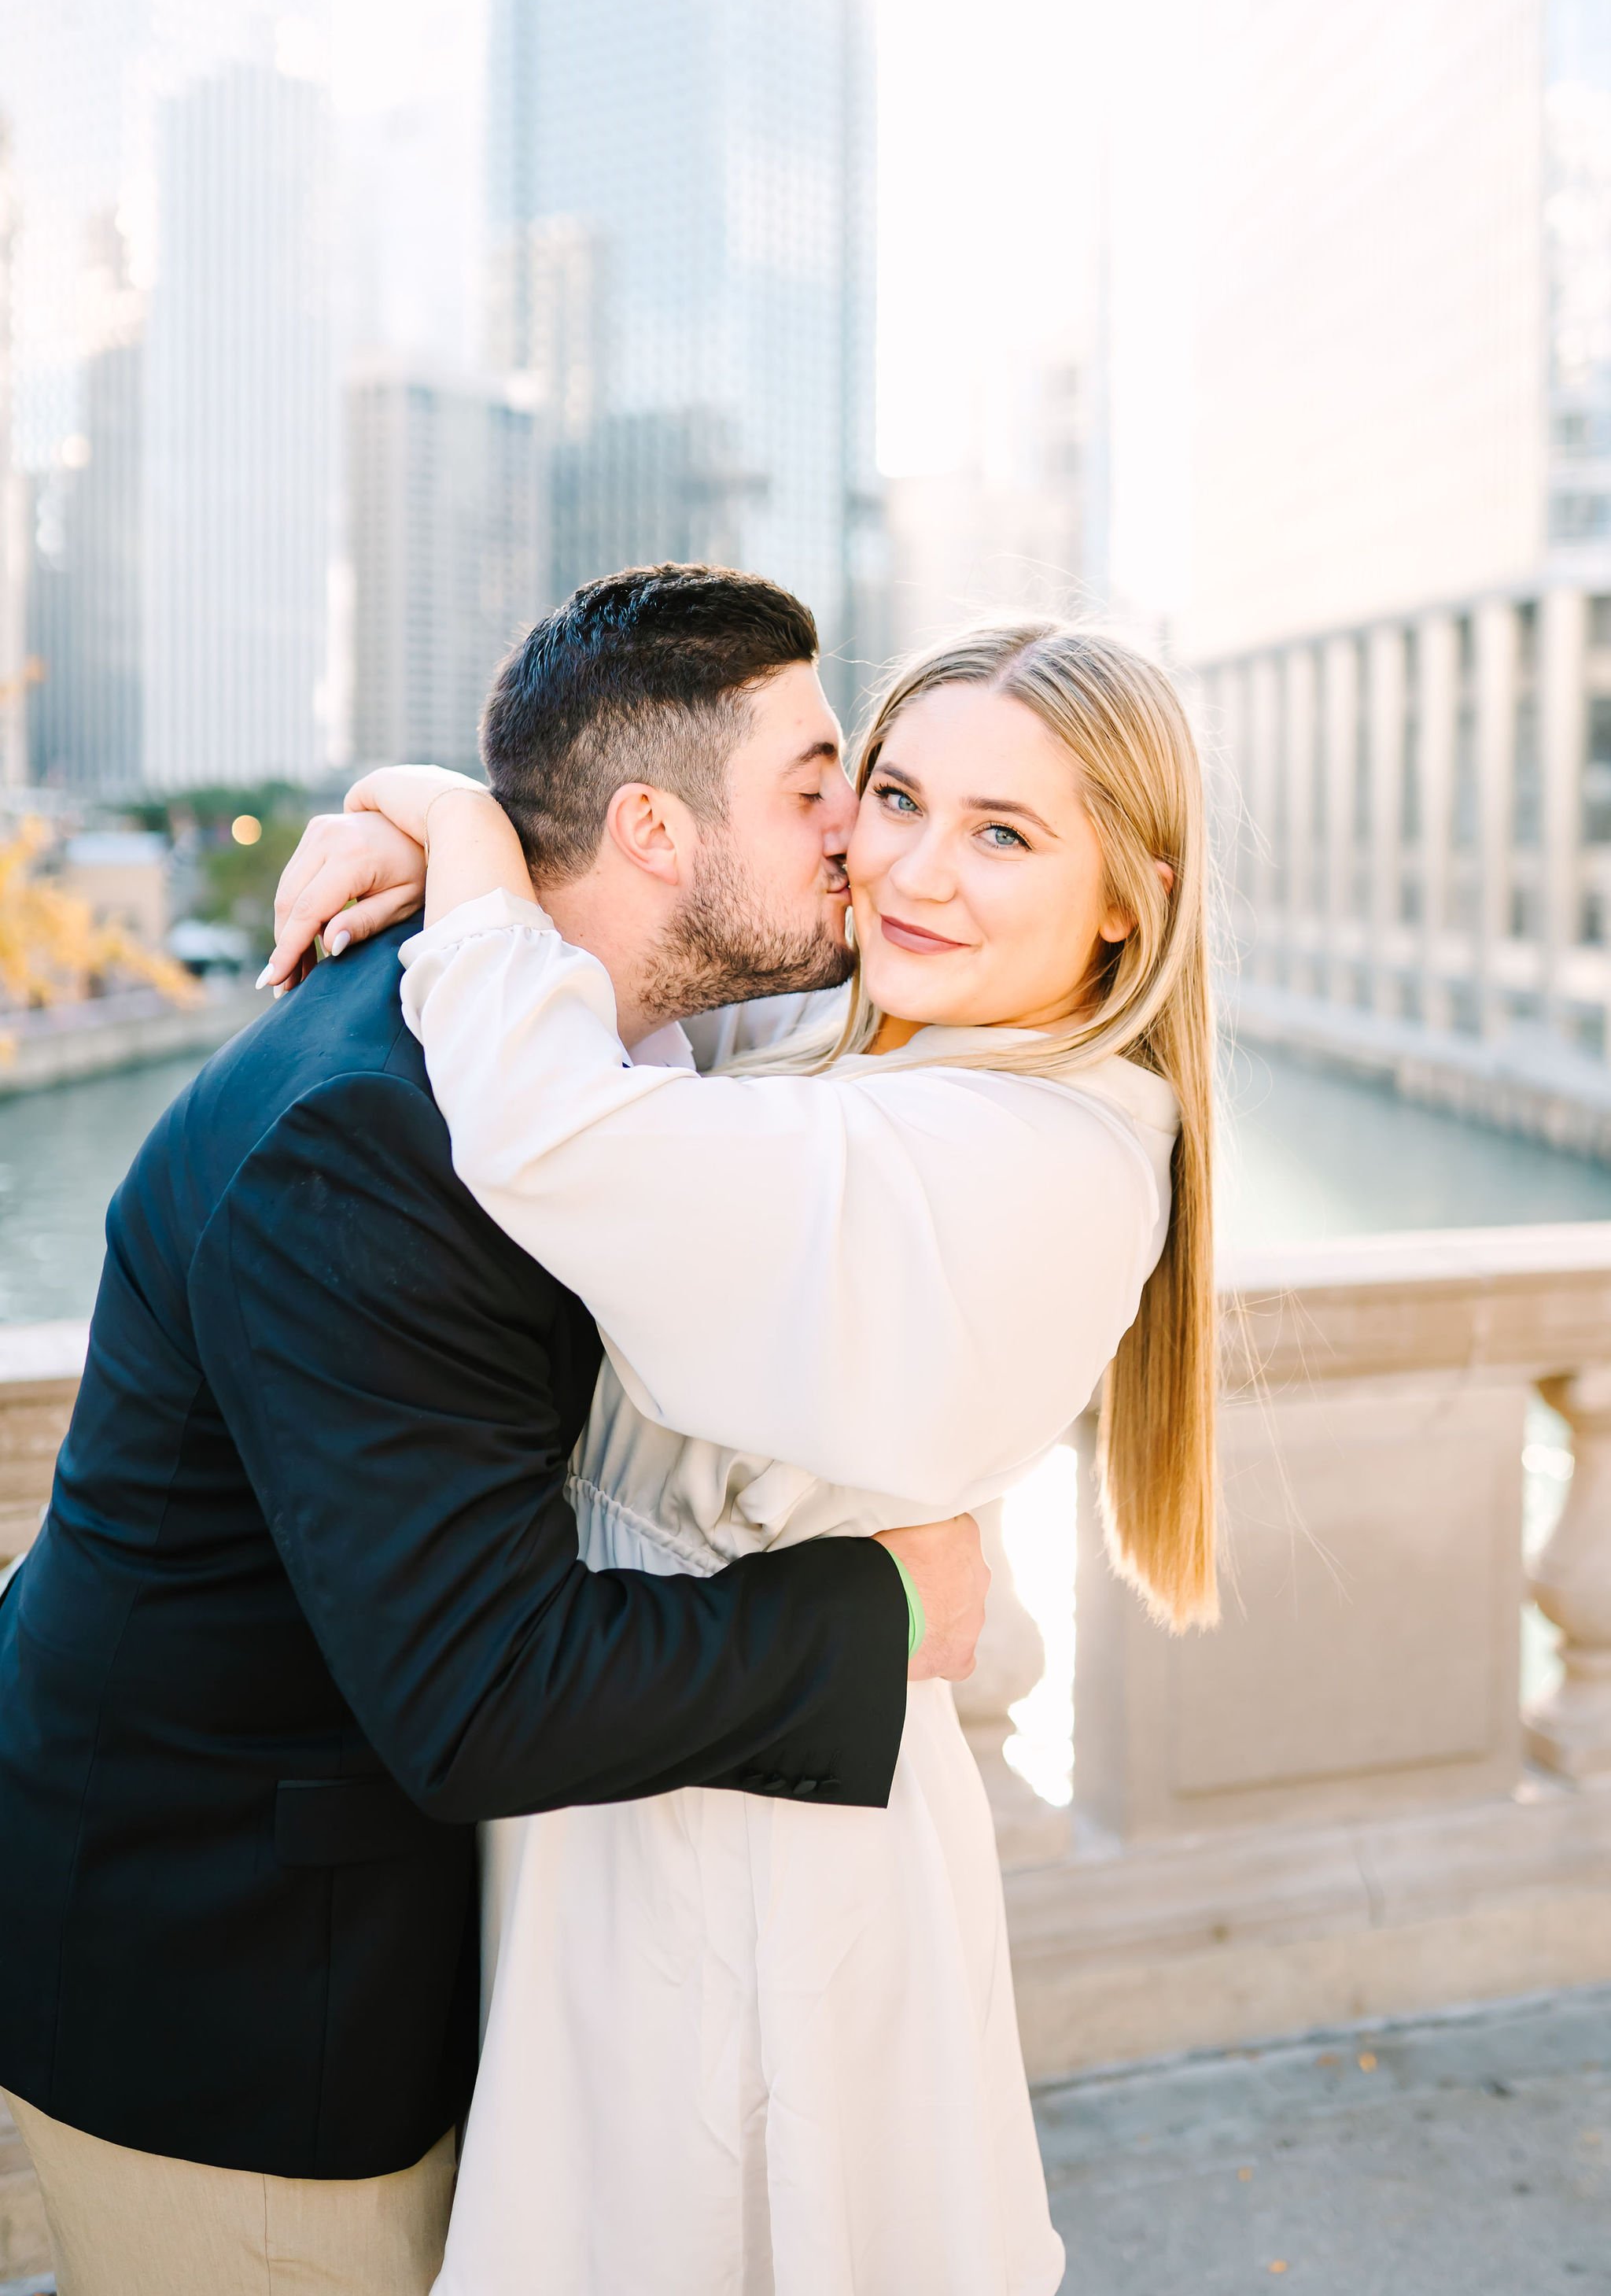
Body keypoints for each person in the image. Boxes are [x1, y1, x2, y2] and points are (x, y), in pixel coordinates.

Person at [0, 568, 992, 2296]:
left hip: (380, 1937)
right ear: (654, 833)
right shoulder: (365, 1144)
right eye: (819, 785)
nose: (865, 837)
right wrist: (886, 1609)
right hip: (227, 1985)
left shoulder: (596, 1043)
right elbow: (481, 1692)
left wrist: (435, 805)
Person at [266, 613, 1220, 2295]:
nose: (911, 868)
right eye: (893, 796)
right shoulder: (877, 1063)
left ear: (1131, 893)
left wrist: (465, 835)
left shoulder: (1029, 1153)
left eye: (1002, 834)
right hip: (691, 1760)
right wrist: (422, 804)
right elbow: (637, 998)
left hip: (748, 1827)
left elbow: (558, 1126)